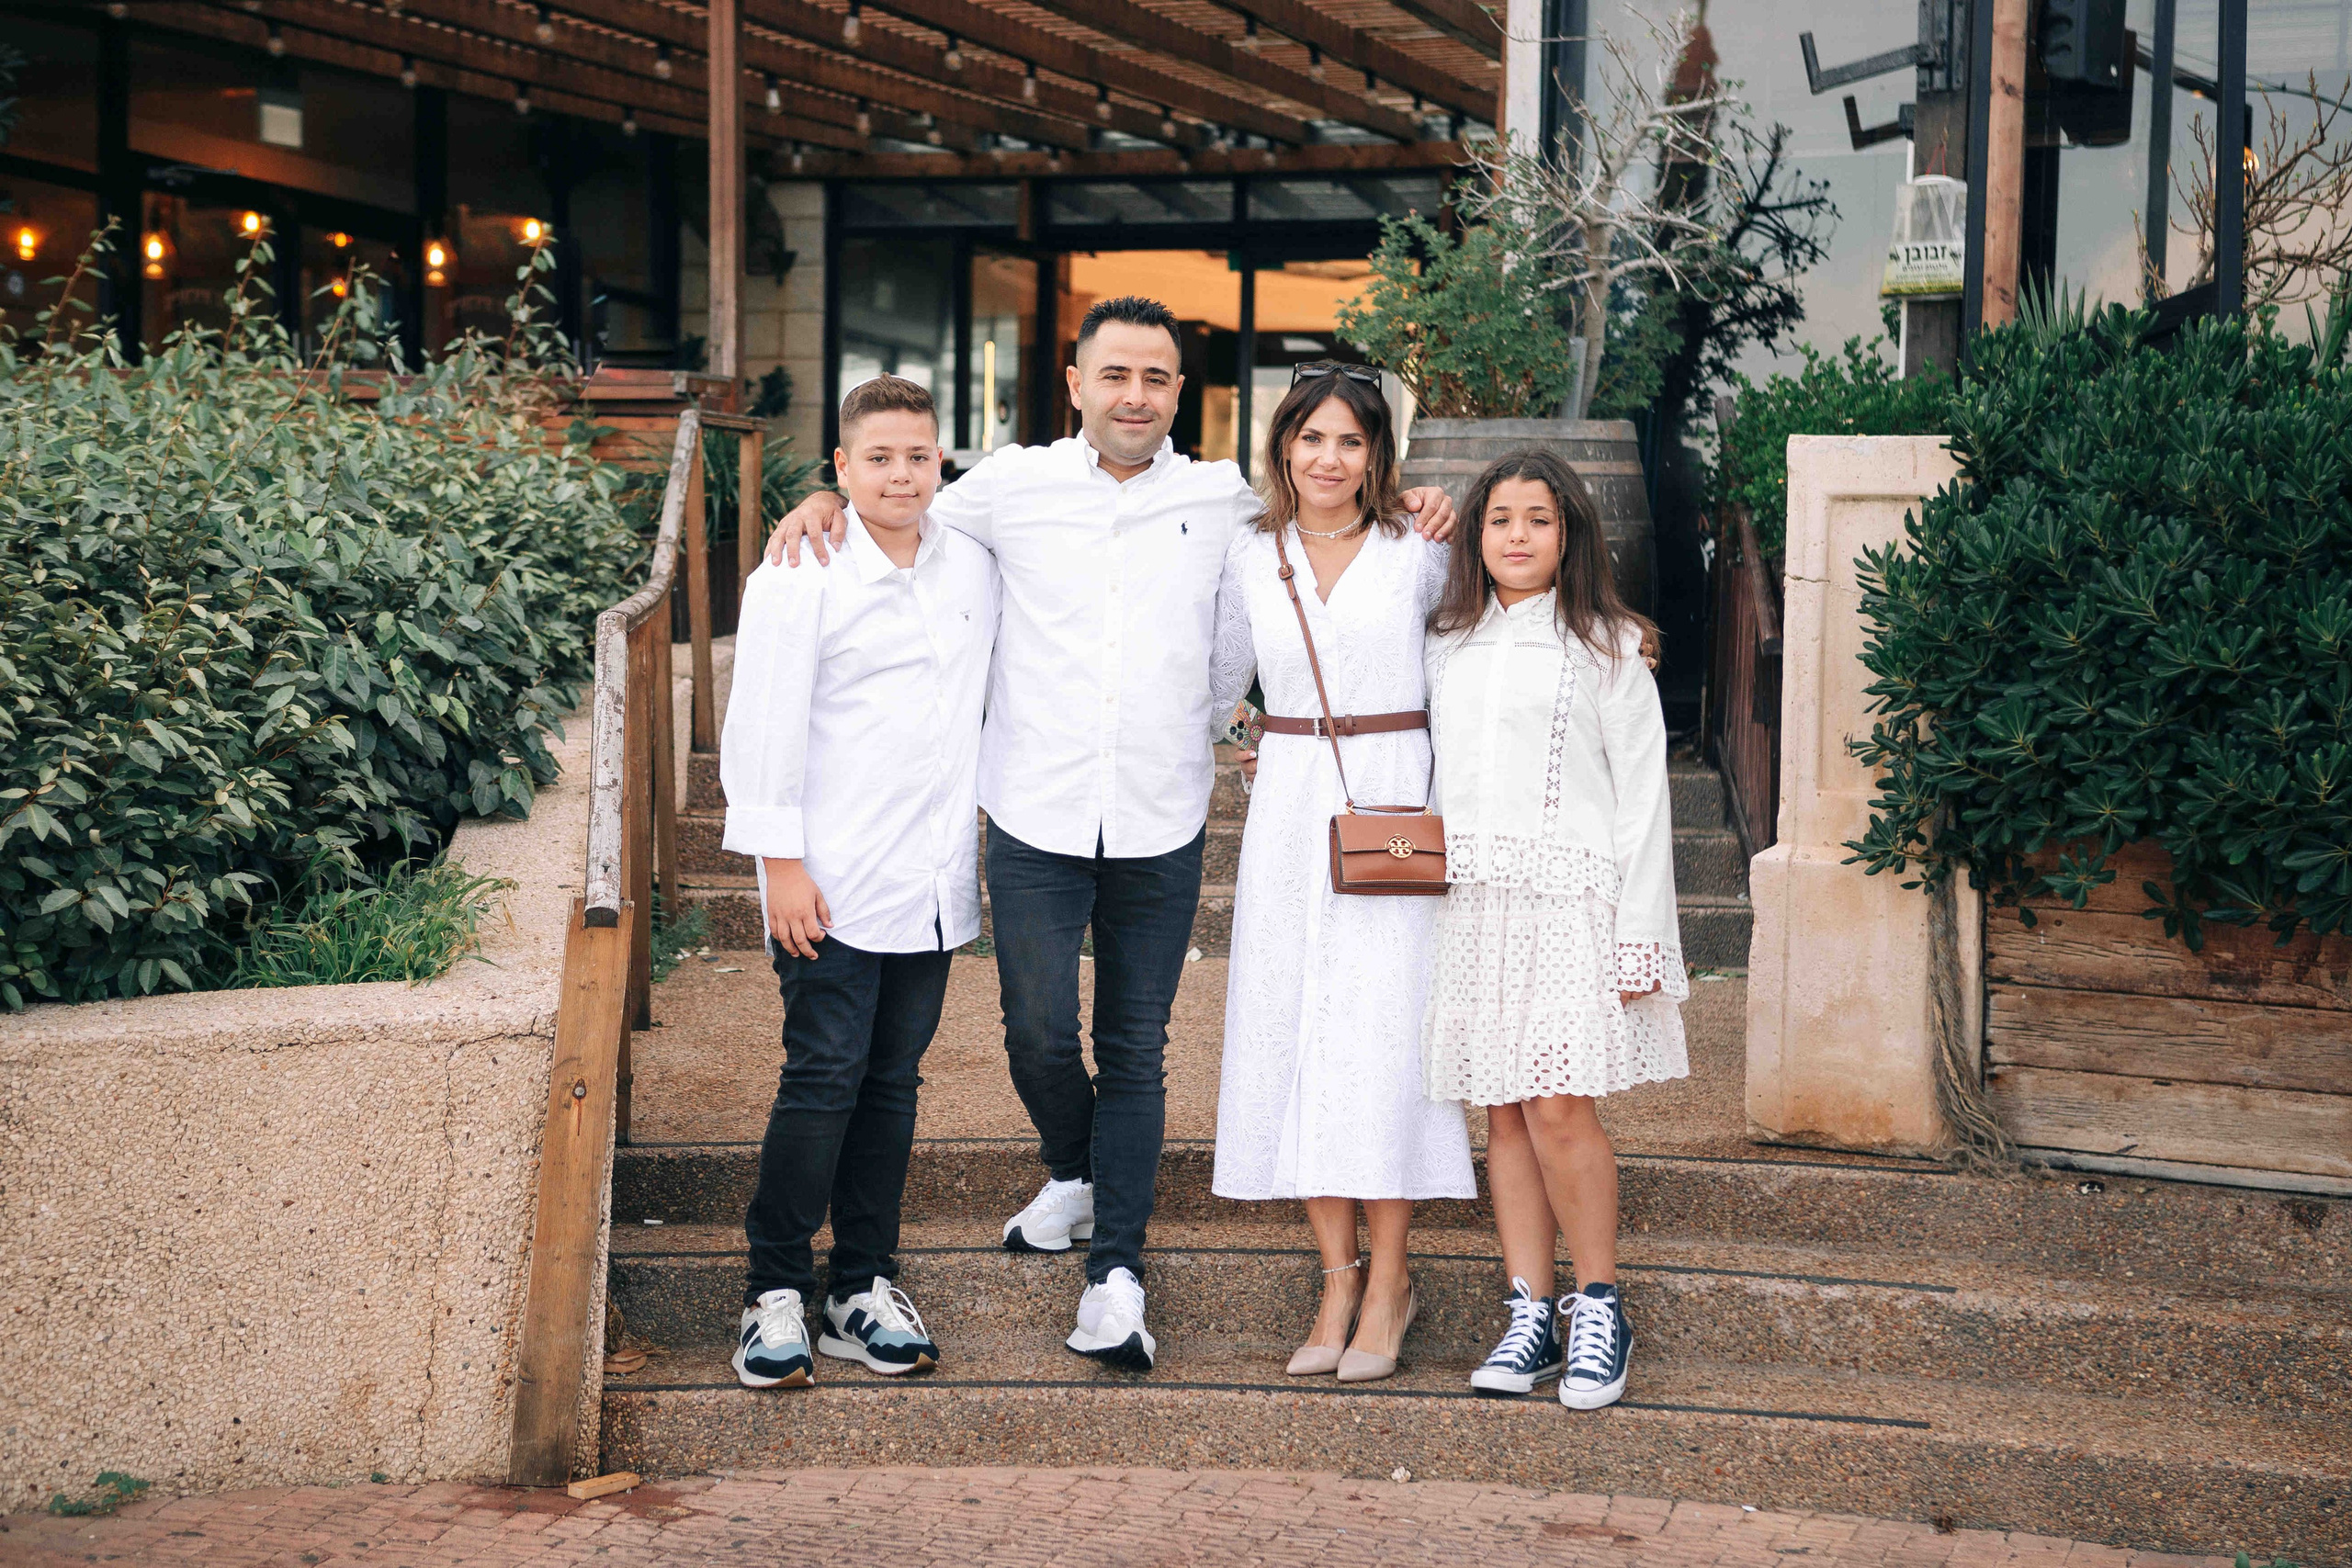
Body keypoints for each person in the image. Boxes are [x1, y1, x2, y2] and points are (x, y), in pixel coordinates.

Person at [763, 297, 1458, 1371]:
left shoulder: (1222, 500)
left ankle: (1117, 1274)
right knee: (1036, 1032)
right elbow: (897, 503)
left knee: (1135, 1048)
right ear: (1077, 385)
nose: (1136, 396)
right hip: (1033, 809)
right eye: (1115, 376)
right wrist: (820, 498)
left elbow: (1328, 521)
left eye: (1157, 379)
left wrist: (1420, 500)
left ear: (1180, 393)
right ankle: (1079, 1172)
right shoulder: (1002, 488)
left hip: (1160, 812)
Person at [718, 374, 1000, 1390]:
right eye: (876, 458)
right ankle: (773, 1290)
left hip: (928, 886)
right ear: (839, 467)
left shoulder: (971, 562)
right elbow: (759, 729)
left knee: (892, 1086)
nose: (900, 474)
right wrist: (779, 866)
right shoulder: (800, 571)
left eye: (917, 456)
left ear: (940, 461)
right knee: (822, 1078)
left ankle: (862, 1286)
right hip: (827, 884)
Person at [1204, 364, 1474, 1384]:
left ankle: (1394, 1279)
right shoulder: (1250, 552)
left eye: (1349, 443)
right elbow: (1220, 684)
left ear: (1378, 457)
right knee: (1294, 1028)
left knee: (1384, 1036)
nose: (1327, 459)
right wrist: (1245, 742)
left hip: (1394, 799)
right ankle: (1336, 1275)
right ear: (1281, 449)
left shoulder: (1420, 552)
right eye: (1310, 440)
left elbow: (1462, 668)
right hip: (1287, 812)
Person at [1419, 447, 1688, 1411]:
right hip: (1472, 903)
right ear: (1477, 533)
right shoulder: (1445, 640)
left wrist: (1638, 936)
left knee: (1558, 1107)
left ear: (1568, 533)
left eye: (1538, 518)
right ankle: (1528, 1310)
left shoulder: (1609, 646)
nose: (1518, 536)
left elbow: (1642, 804)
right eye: (1499, 519)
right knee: (1500, 1113)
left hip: (1572, 903)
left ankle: (1598, 1305)